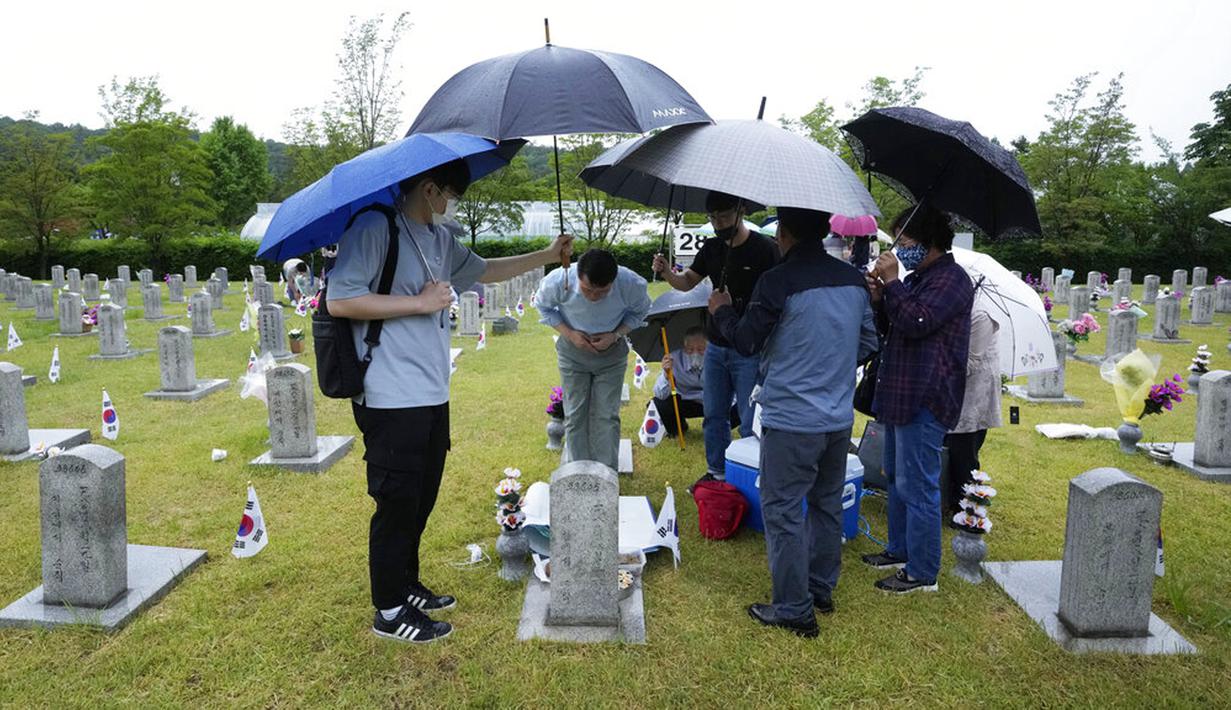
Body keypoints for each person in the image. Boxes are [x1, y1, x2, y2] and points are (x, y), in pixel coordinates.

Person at [327, 158, 573, 645]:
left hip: (431, 391)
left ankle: (406, 583)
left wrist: (546, 254)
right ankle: (389, 610)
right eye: (451, 196)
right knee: (396, 502)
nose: (451, 206)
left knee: (422, 495)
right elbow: (341, 299)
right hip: (388, 393)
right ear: (430, 187)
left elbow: (487, 271)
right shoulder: (377, 228)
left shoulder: (439, 239)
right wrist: (418, 303)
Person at [708, 207, 878, 638]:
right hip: (837, 419)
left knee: (783, 509)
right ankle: (820, 587)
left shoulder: (777, 281)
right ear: (824, 231)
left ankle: (792, 606)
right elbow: (868, 343)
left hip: (790, 418)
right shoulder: (853, 281)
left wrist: (722, 311)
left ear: (782, 233)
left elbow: (746, 341)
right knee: (825, 503)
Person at [860, 204, 974, 594]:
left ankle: (923, 572)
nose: (898, 250)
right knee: (894, 476)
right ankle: (898, 549)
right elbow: (891, 329)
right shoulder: (918, 279)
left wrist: (892, 284)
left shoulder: (952, 280)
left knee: (918, 484)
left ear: (928, 243)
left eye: (904, 242)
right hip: (898, 391)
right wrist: (880, 297)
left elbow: (919, 322)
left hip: (926, 396)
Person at [651, 191, 779, 489]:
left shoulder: (765, 249)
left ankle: (753, 474)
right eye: (713, 218)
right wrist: (667, 271)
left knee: (750, 419)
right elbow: (686, 283)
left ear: (742, 210)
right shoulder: (711, 248)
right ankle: (717, 472)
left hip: (750, 347)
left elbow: (778, 296)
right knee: (714, 414)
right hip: (716, 345)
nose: (719, 223)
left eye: (724, 216)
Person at [534, 248, 651, 472]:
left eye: (602, 292)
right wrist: (570, 334)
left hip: (611, 353)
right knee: (575, 413)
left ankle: (606, 471)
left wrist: (615, 335)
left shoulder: (631, 284)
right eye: (588, 290)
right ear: (578, 276)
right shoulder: (559, 280)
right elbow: (543, 307)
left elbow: (640, 313)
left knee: (607, 415)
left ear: (613, 281)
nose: (594, 297)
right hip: (573, 353)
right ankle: (577, 470)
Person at [943, 307, 1002, 514]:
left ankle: (968, 508)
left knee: (964, 451)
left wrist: (937, 368)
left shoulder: (981, 316)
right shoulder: (956, 312)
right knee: (949, 449)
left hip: (975, 393)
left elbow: (972, 361)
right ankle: (951, 500)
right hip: (953, 391)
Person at [652, 326, 708, 437]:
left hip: (712, 402)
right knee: (658, 404)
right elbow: (659, 394)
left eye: (701, 349)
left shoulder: (718, 358)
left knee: (740, 406)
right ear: (684, 347)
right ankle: (678, 427)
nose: (695, 354)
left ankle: (714, 427)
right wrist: (666, 374)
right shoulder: (673, 359)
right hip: (685, 401)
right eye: (690, 350)